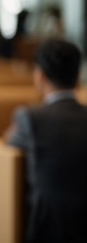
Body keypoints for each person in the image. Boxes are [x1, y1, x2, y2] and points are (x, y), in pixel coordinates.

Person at [5, 38, 87, 243]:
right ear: (78, 78)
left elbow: (9, 142)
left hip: (47, 228)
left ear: (40, 77)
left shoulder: (30, 118)